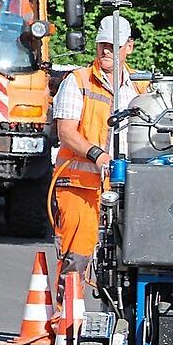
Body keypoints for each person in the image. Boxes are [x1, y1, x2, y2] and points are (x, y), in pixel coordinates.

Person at [51, 15, 141, 306]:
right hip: (80, 185)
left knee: (129, 256)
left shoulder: (140, 88)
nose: (105, 51)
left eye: (112, 46)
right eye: (102, 44)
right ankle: (66, 324)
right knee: (77, 253)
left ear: (129, 47)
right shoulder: (77, 81)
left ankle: (119, 319)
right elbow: (66, 132)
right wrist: (99, 156)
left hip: (126, 188)